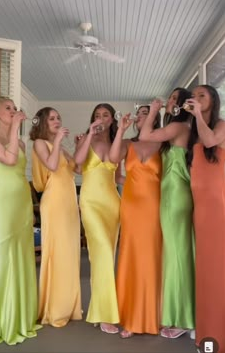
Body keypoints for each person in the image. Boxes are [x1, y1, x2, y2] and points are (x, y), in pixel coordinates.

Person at [139, 88, 195, 339]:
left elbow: (145, 135)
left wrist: (153, 111)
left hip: (174, 196)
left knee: (177, 255)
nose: (170, 101)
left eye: (174, 98)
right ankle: (180, 312)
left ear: (182, 105)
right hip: (174, 193)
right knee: (178, 253)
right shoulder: (182, 129)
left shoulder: (179, 127)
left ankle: (183, 317)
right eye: (171, 98)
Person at [0, 97, 41, 345]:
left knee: (21, 255)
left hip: (21, 202)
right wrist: (14, 130)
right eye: (7, 108)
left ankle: (20, 314)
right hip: (1, 204)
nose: (13, 111)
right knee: (3, 254)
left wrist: (31, 207)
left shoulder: (19, 142)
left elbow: (21, 174)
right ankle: (1, 316)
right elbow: (9, 160)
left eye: (14, 108)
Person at [109, 105, 162, 338]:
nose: (141, 116)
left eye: (146, 113)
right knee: (131, 255)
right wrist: (121, 130)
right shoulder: (129, 145)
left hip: (155, 206)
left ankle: (153, 314)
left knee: (151, 256)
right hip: (130, 205)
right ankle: (130, 316)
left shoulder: (163, 144)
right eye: (140, 113)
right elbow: (113, 161)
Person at [29, 107, 82, 327]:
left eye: (58, 117)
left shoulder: (60, 147)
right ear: (42, 122)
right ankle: (54, 308)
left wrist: (80, 144)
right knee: (57, 252)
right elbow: (50, 165)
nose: (57, 120)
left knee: (70, 253)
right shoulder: (41, 143)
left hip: (69, 203)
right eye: (52, 118)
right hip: (54, 202)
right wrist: (59, 140)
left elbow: (77, 167)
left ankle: (69, 306)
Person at [74, 103, 123, 334]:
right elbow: (77, 164)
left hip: (112, 205)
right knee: (101, 252)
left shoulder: (118, 144)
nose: (101, 118)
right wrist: (89, 135)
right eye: (96, 115)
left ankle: (98, 310)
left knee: (105, 258)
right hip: (91, 203)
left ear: (112, 119)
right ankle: (104, 315)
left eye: (105, 115)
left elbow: (119, 174)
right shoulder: (86, 139)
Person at [186, 85, 225, 353]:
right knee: (204, 268)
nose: (197, 99)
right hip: (199, 206)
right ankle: (207, 334)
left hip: (217, 205)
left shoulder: (221, 124)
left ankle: (217, 337)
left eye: (202, 95)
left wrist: (198, 115)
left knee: (216, 268)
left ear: (213, 99)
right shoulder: (193, 132)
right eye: (195, 95)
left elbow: (211, 141)